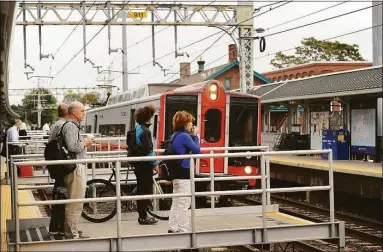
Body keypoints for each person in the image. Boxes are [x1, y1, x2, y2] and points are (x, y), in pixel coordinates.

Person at [61, 101, 93, 239]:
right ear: (74, 112)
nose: (84, 113)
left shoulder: (70, 126)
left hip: (76, 166)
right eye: (82, 111)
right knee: (75, 202)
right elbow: (73, 147)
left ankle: (72, 231)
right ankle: (71, 234)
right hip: (75, 167)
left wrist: (83, 144)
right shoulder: (71, 127)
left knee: (76, 201)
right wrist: (85, 143)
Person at [168, 111, 200, 233]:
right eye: (190, 122)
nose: (192, 124)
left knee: (176, 201)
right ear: (185, 123)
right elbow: (197, 150)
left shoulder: (175, 134)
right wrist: (195, 135)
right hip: (184, 172)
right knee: (184, 202)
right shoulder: (184, 136)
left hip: (177, 172)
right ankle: (183, 229)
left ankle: (172, 227)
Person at [127, 104, 159, 225]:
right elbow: (148, 150)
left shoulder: (137, 129)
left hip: (138, 163)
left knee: (141, 188)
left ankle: (142, 214)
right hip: (144, 165)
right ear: (149, 118)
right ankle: (143, 217)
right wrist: (155, 163)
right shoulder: (145, 131)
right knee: (144, 190)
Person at [48, 104, 69, 236]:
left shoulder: (55, 125)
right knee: (63, 195)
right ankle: (60, 228)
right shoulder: (64, 126)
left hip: (57, 164)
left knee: (58, 194)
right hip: (63, 165)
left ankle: (55, 227)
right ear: (67, 112)